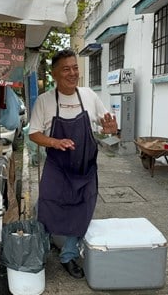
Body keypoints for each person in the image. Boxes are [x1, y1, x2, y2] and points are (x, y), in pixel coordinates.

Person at [28, 49, 118, 279]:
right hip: (57, 168)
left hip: (85, 169)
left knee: (82, 211)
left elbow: (106, 127)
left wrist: (110, 130)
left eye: (75, 68)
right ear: (54, 74)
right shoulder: (45, 101)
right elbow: (34, 133)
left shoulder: (89, 96)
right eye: (66, 69)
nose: (72, 73)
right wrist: (54, 141)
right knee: (47, 208)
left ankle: (68, 256)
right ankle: (39, 254)